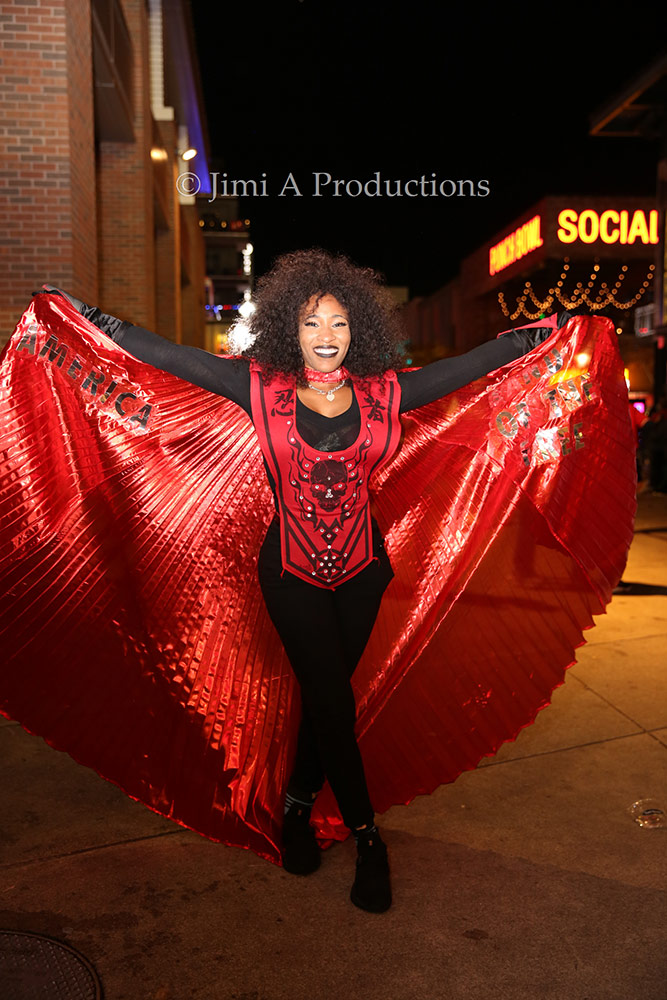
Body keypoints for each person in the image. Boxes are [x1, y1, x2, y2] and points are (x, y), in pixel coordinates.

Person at [36, 249, 561, 913]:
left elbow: (469, 365)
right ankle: (369, 839)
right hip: (290, 572)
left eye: (338, 324)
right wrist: (84, 316)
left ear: (357, 331)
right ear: (291, 329)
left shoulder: (385, 393)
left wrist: (540, 332)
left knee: (329, 696)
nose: (325, 336)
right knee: (330, 697)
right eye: (312, 323)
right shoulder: (259, 387)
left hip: (363, 571)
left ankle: (294, 804)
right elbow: (166, 355)